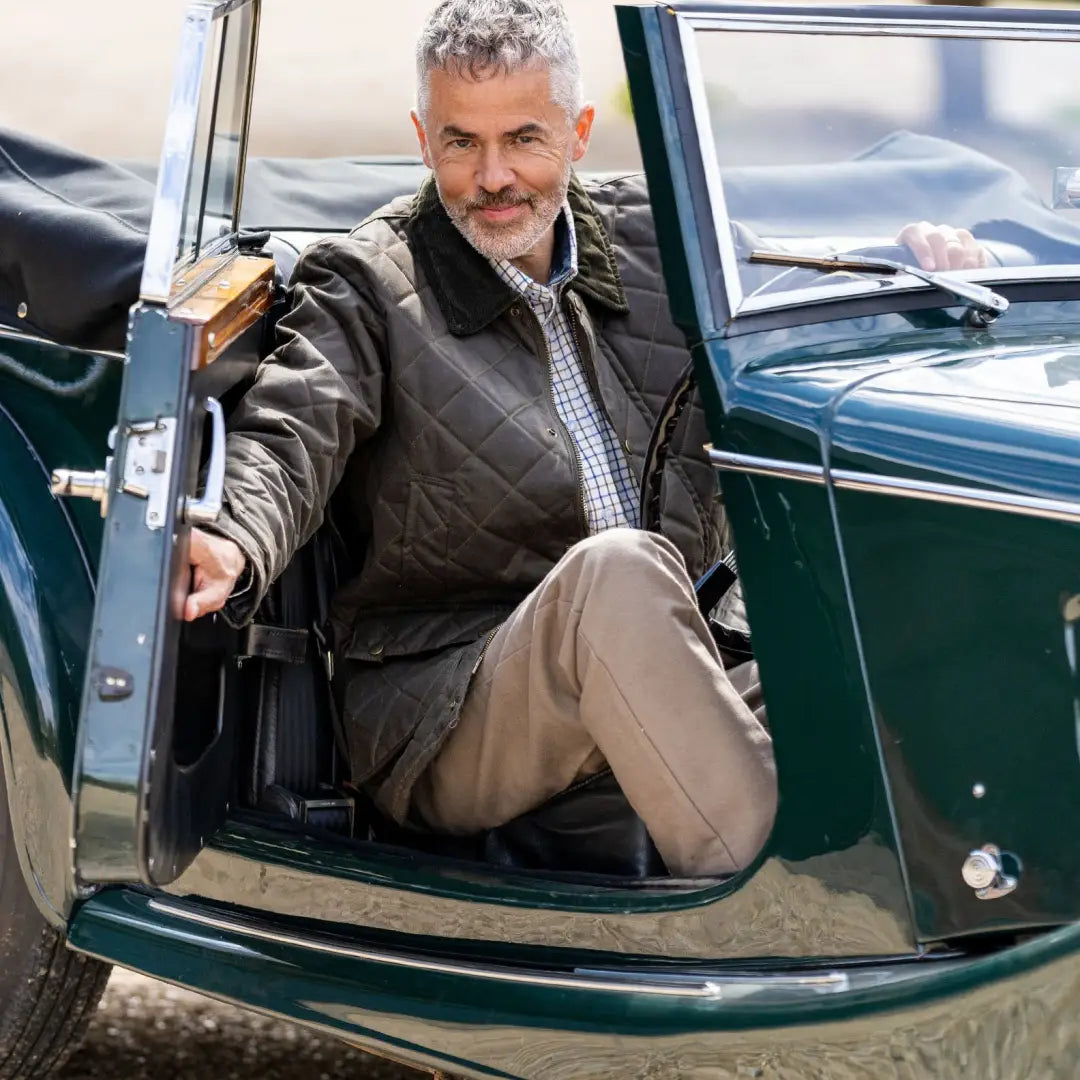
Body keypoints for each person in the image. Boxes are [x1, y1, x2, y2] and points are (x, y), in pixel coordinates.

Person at [183, 0, 984, 877]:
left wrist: (914, 271)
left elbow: (795, 305)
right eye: (460, 142)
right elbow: (295, 424)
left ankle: (1000, 920)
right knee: (620, 571)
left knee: (903, 647)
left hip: (683, 659)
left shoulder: (660, 241)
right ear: (423, 138)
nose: (493, 177)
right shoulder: (370, 281)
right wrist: (232, 538)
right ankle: (810, 909)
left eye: (523, 138)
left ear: (579, 131)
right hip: (450, 707)